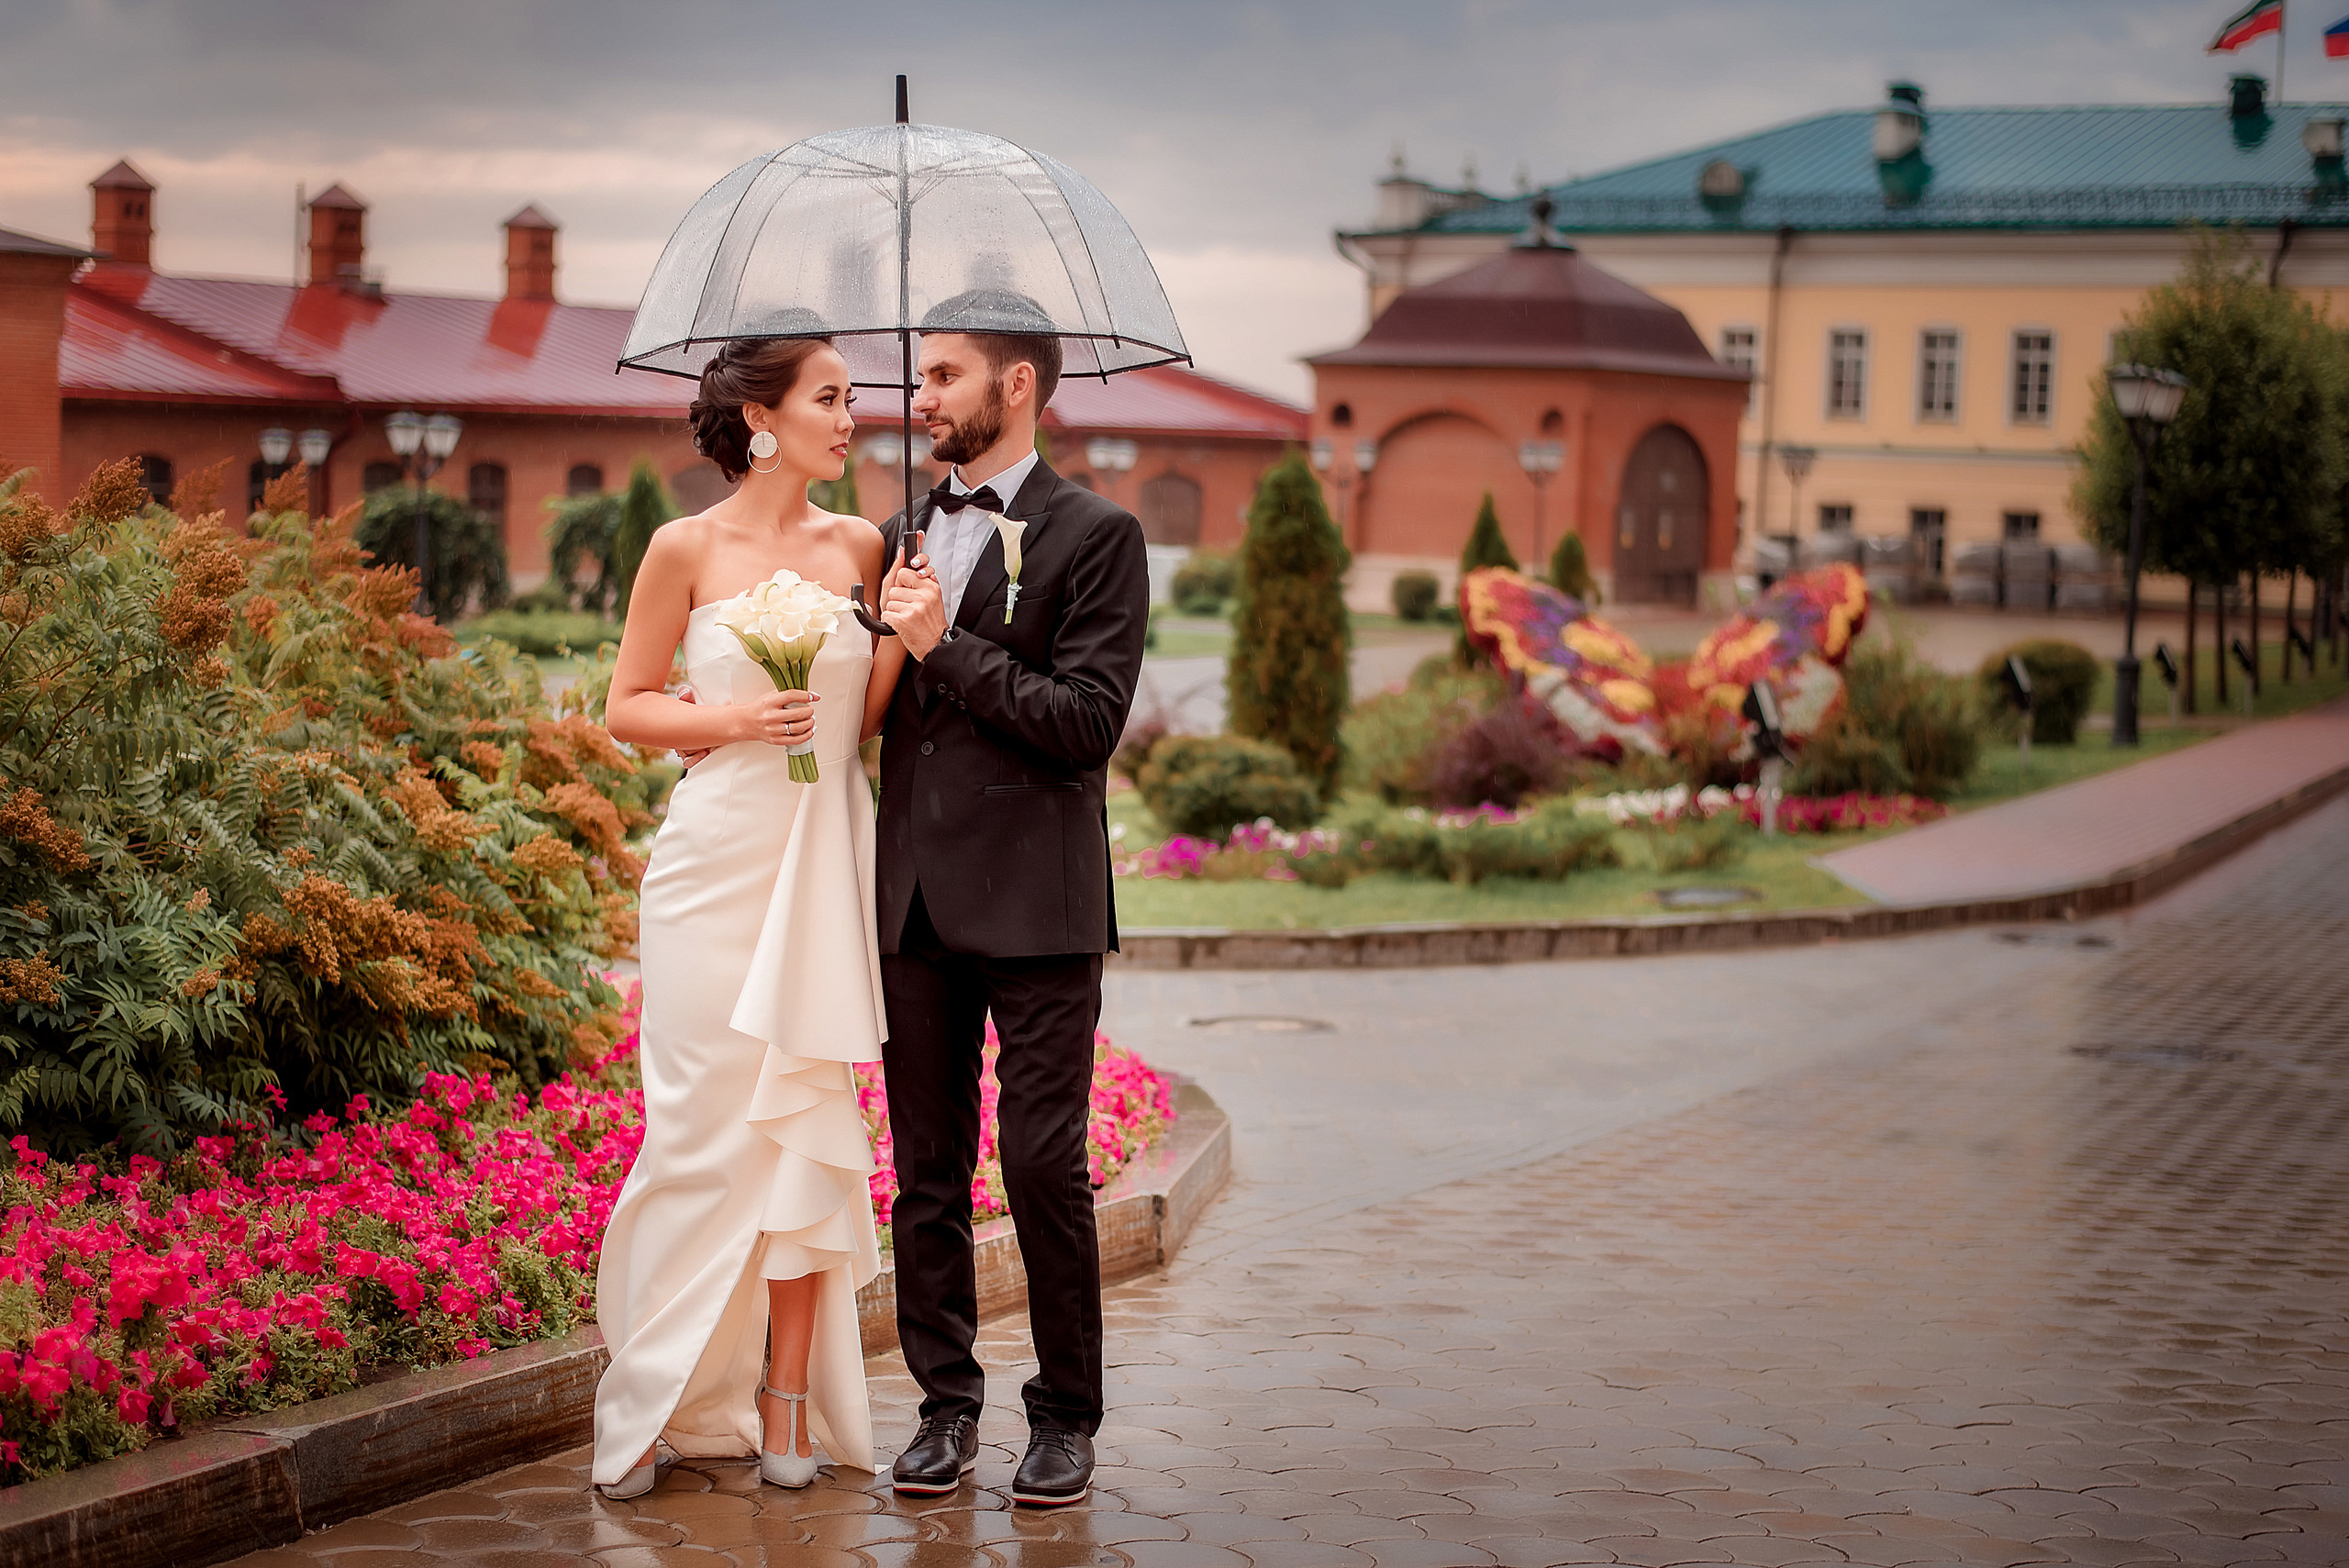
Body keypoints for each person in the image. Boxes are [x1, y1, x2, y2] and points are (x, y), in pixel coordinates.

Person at [588, 334, 905, 1499]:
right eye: (832, 396)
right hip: (708, 865)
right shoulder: (683, 545)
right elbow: (626, 707)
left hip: (821, 859)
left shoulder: (864, 545)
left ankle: (783, 1402)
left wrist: (907, 642)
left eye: (852, 397)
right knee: (696, 1133)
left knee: (798, 1124)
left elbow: (863, 720)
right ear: (762, 418)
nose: (853, 415)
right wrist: (732, 720)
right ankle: (655, 1389)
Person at [873, 293, 1152, 1508]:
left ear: (1019, 387)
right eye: (917, 377)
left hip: (1041, 907)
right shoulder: (897, 535)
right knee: (929, 1170)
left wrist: (949, 646)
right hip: (917, 905)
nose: (920, 397)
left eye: (943, 376)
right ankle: (944, 1406)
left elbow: (1085, 725)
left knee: (1041, 1164)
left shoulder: (1099, 534)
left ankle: (1066, 1415)